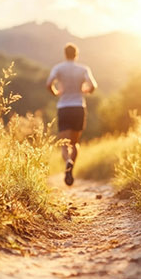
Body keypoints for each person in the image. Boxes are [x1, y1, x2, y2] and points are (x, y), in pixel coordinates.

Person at [46, 43, 97, 186]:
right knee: (74, 143)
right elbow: (93, 85)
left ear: (65, 54)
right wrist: (85, 90)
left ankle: (67, 161)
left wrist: (56, 92)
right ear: (76, 54)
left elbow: (48, 83)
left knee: (64, 144)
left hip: (63, 107)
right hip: (78, 107)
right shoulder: (83, 69)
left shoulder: (58, 68)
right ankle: (71, 166)